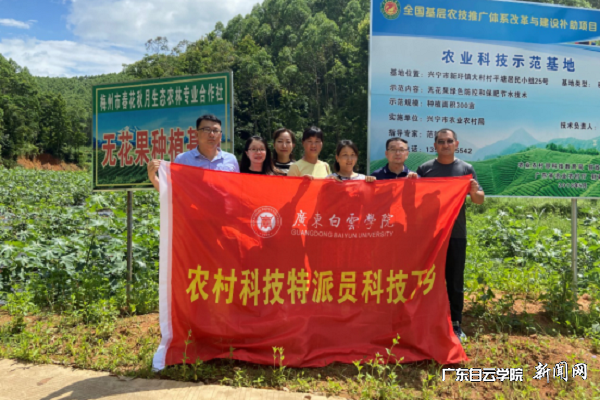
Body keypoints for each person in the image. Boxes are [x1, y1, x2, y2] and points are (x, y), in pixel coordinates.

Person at [416, 128, 485, 344]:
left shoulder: (466, 169)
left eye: (449, 141)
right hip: (430, 235)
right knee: (428, 279)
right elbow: (413, 198)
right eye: (441, 141)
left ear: (456, 144)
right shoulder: (425, 169)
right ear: (434, 146)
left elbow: (479, 199)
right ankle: (427, 320)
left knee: (454, 280)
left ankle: (455, 323)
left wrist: (474, 190)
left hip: (456, 233)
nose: (445, 145)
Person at [146, 114, 239, 191]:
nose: (211, 134)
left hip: (222, 208)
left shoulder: (231, 159)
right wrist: (153, 178)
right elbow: (172, 192)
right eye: (206, 129)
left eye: (215, 130)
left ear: (220, 136)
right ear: (196, 134)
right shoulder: (183, 160)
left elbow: (236, 190)